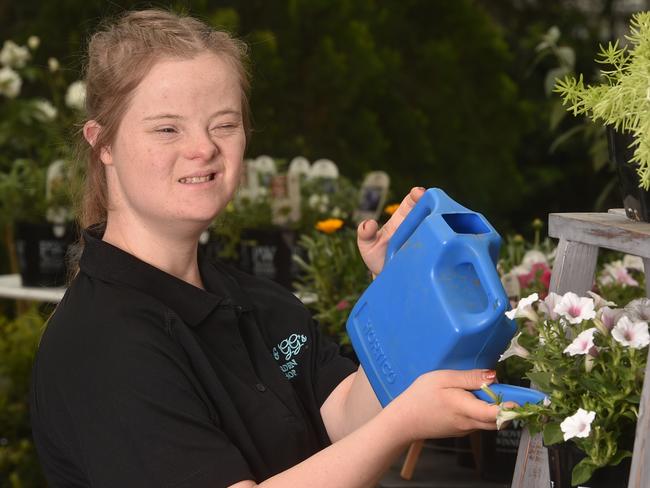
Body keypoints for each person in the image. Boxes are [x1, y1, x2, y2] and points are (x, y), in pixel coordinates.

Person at [30, 9, 502, 488]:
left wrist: (404, 295)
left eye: (224, 124)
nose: (203, 148)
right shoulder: (101, 345)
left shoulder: (257, 301)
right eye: (167, 128)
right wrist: (402, 424)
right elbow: (379, 428)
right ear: (102, 143)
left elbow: (344, 417)